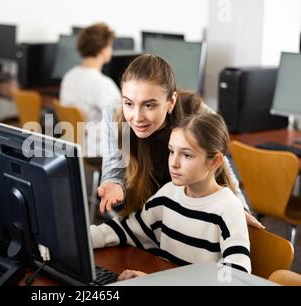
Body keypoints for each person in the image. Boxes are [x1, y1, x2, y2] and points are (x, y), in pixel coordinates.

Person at [97, 54, 264, 229]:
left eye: (149, 105)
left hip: (189, 209)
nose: (137, 117)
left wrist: (239, 208)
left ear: (171, 102)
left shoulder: (198, 114)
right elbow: (113, 169)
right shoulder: (114, 112)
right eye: (129, 103)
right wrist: (113, 184)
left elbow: (223, 167)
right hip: (143, 207)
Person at [91, 112, 251, 281]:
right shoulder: (169, 194)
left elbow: (236, 278)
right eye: (171, 151)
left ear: (215, 162)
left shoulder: (228, 208)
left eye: (186, 155)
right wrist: (73, 241)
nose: (173, 163)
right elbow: (126, 229)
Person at [59, 22, 121, 156]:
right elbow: (122, 118)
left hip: (72, 143)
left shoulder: (69, 76)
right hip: (94, 149)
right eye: (110, 45)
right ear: (103, 49)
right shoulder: (102, 83)